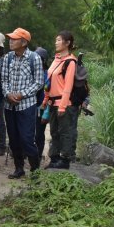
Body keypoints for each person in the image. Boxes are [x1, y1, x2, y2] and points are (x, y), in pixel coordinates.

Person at [1, 28, 44, 179]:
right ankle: (19, 168)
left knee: (27, 138)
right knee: (13, 138)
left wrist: (21, 94)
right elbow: (4, 80)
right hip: (9, 106)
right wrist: (7, 94)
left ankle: (35, 170)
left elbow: (39, 82)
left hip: (27, 105)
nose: (11, 41)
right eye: (10, 38)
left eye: (14, 39)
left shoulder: (34, 58)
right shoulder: (8, 58)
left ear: (24, 42)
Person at [42, 31, 78, 170]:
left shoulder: (70, 62)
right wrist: (46, 100)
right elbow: (49, 81)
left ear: (67, 43)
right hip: (52, 102)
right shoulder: (56, 59)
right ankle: (54, 157)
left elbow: (68, 86)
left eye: (59, 40)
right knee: (54, 132)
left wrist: (62, 106)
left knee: (65, 132)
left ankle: (65, 159)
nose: (56, 42)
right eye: (56, 40)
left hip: (64, 104)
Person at [33, 47, 50, 160]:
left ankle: (38, 155)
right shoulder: (31, 72)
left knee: (39, 133)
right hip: (30, 106)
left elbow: (49, 94)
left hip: (42, 107)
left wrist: (46, 112)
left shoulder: (48, 75)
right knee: (29, 131)